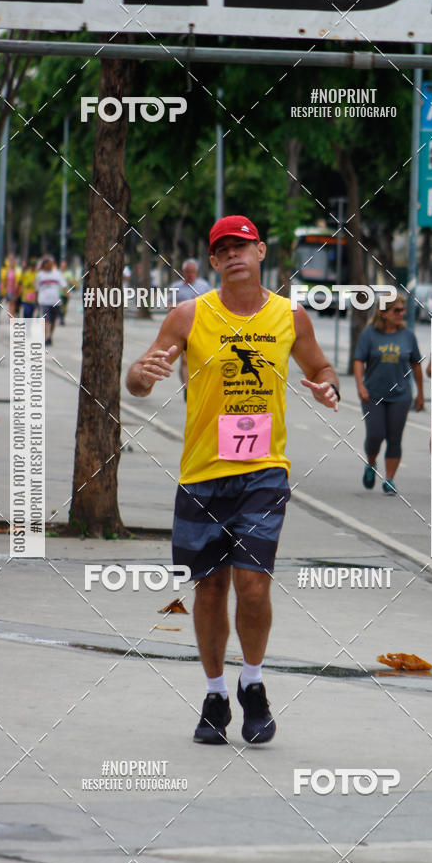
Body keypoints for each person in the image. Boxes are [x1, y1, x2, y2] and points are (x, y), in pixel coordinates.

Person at [126, 215, 340, 745]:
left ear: (262, 251)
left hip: (264, 473)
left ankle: (254, 683)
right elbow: (136, 383)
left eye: (242, 245)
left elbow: (321, 366)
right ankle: (217, 692)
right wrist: (140, 375)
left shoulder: (290, 316)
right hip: (201, 474)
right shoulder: (188, 316)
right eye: (223, 249)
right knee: (210, 588)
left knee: (252, 582)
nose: (233, 254)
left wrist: (327, 387)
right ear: (214, 261)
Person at [354, 292, 424, 495]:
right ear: (383, 313)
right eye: (397, 310)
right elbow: (359, 360)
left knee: (395, 437)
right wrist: (360, 385)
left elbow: (416, 364)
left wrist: (420, 393)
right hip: (373, 394)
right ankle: (371, 464)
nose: (401, 313)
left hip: (401, 395)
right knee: (375, 434)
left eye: (403, 310)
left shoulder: (408, 336)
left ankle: (390, 479)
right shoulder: (369, 334)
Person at [169, 258, 211, 399]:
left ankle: (198, 384)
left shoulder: (204, 286)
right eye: (187, 272)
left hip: (201, 327)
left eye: (192, 272)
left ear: (196, 272)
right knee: (185, 360)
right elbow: (170, 306)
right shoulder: (176, 287)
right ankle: (187, 387)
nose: (190, 275)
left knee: (200, 358)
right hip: (183, 328)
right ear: (183, 272)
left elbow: (212, 305)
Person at [35, 256, 66, 346]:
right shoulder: (40, 275)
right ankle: (46, 337)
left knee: (53, 321)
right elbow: (37, 288)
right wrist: (36, 299)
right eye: (48, 264)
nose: (50, 265)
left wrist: (66, 293)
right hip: (44, 301)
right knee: (46, 320)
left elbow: (63, 284)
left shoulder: (57, 274)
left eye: (51, 264)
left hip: (55, 301)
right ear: (44, 265)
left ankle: (50, 335)